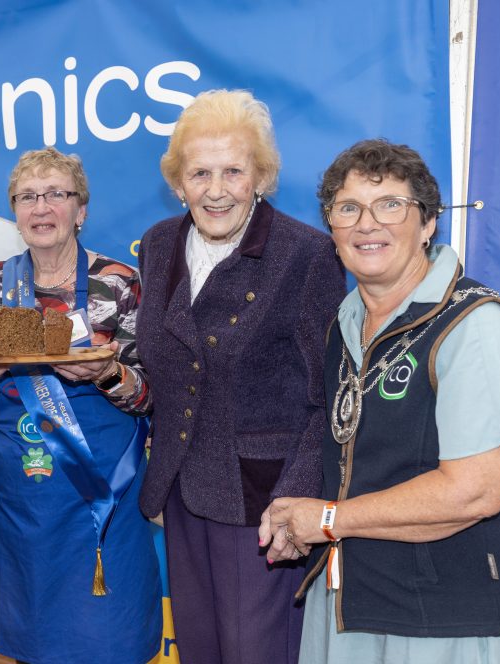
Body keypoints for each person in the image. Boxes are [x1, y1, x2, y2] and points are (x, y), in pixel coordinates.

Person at [260, 139, 500, 663]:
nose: (367, 224)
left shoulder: (478, 328)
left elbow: (474, 493)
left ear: (428, 225)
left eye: (391, 205)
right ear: (331, 229)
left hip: (440, 622)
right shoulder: (343, 322)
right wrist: (302, 518)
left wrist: (328, 519)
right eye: (347, 208)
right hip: (347, 606)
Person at [136, 89, 346, 664]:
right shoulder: (158, 244)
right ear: (178, 183)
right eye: (200, 173)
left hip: (263, 505)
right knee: (199, 650)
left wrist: (295, 501)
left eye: (234, 170)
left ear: (261, 176)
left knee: (257, 653)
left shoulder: (307, 255)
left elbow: (327, 400)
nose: (217, 188)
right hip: (180, 491)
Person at [0, 147, 162, 663]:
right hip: (20, 494)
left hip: (101, 491)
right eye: (28, 197)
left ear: (82, 210)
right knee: (27, 634)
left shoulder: (118, 282)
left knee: (106, 635)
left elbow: (150, 393)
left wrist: (108, 372)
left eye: (56, 194)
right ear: (14, 211)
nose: (42, 207)